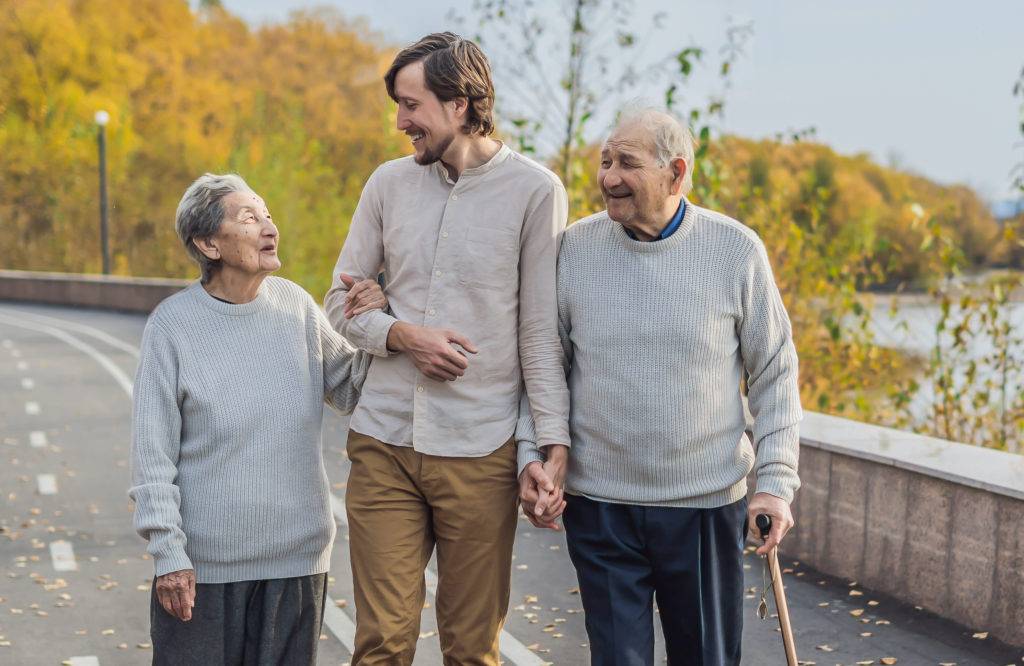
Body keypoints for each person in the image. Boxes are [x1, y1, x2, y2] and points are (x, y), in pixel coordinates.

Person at [516, 108, 803, 666]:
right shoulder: (572, 249)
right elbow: (545, 363)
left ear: (676, 173)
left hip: (704, 505)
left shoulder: (735, 250)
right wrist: (533, 451)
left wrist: (774, 482)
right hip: (599, 505)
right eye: (605, 161)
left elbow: (775, 373)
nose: (609, 177)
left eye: (627, 163)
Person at [322, 32, 570, 664]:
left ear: (460, 104)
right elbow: (336, 304)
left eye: (412, 105)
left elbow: (540, 336)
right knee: (379, 643)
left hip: (480, 451)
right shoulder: (387, 185)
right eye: (398, 106)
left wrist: (550, 447)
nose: (401, 122)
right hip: (384, 443)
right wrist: (404, 335)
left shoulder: (535, 193)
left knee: (470, 649)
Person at [129, 173, 381, 665]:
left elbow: (351, 388)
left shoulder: (296, 307)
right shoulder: (172, 326)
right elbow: (152, 456)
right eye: (249, 218)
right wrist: (168, 555)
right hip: (203, 571)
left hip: (298, 560)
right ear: (208, 243)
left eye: (267, 214)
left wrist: (371, 321)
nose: (269, 227)